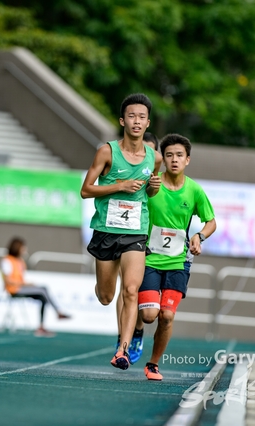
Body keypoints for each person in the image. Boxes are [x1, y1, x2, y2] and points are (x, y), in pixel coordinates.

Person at [81, 93, 162, 370]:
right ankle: (104, 283)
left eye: (141, 117)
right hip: (106, 230)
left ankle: (122, 350)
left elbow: (151, 191)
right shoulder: (107, 152)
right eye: (131, 116)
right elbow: (85, 190)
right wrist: (119, 185)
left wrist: (153, 187)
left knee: (131, 290)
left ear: (147, 122)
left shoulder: (155, 158)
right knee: (107, 296)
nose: (136, 121)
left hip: (135, 232)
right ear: (122, 120)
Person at [136, 134, 216, 381]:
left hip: (178, 262)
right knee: (149, 315)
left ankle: (153, 364)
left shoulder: (194, 190)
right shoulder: (152, 185)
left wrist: (199, 237)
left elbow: (211, 222)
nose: (174, 159)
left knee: (167, 315)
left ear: (187, 160)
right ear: (163, 158)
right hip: (149, 259)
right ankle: (137, 327)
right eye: (169, 154)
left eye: (179, 155)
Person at [114, 131, 160, 362]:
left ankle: (137, 330)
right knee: (128, 288)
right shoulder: (126, 176)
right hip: (132, 238)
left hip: (155, 246)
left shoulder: (159, 183)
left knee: (146, 308)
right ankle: (124, 337)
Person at [0, 237, 71, 337]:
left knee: (43, 297)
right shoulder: (7, 261)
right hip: (14, 289)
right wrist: (26, 284)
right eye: (23, 248)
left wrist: (26, 284)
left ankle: (41, 327)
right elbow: (8, 280)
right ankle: (58, 312)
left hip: (21, 288)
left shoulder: (20, 261)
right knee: (43, 289)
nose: (25, 250)